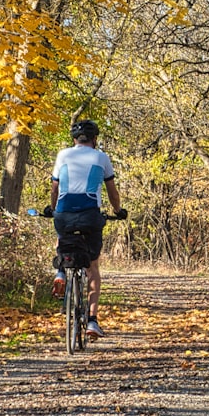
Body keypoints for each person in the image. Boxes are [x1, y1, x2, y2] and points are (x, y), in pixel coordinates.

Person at [47, 119, 125, 339]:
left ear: (74, 139)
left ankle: (61, 271)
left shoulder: (63, 155)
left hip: (64, 213)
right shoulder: (101, 157)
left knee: (62, 236)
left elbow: (55, 189)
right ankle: (92, 321)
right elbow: (112, 192)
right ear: (94, 139)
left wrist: (53, 209)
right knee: (93, 267)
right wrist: (118, 211)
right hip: (90, 214)